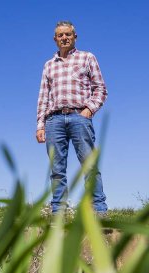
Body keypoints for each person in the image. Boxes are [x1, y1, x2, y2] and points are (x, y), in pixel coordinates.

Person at [36, 21, 108, 215]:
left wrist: (89, 110)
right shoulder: (49, 65)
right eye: (60, 35)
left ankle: (98, 210)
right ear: (55, 39)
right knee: (57, 169)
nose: (64, 38)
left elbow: (100, 89)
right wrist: (40, 125)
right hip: (54, 120)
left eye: (68, 34)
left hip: (79, 117)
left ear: (75, 37)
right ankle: (58, 211)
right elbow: (44, 96)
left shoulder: (87, 58)